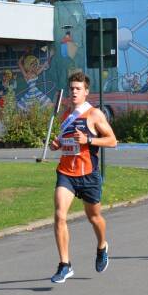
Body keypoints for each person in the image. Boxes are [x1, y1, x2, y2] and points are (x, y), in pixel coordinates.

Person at [49, 71, 118, 283]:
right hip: (66, 173)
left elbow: (113, 141)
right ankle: (65, 265)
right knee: (60, 215)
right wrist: (57, 144)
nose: (74, 92)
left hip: (88, 174)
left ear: (86, 92)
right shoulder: (65, 115)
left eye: (78, 89)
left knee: (94, 217)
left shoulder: (94, 114)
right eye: (71, 89)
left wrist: (88, 139)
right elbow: (64, 141)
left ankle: (102, 246)